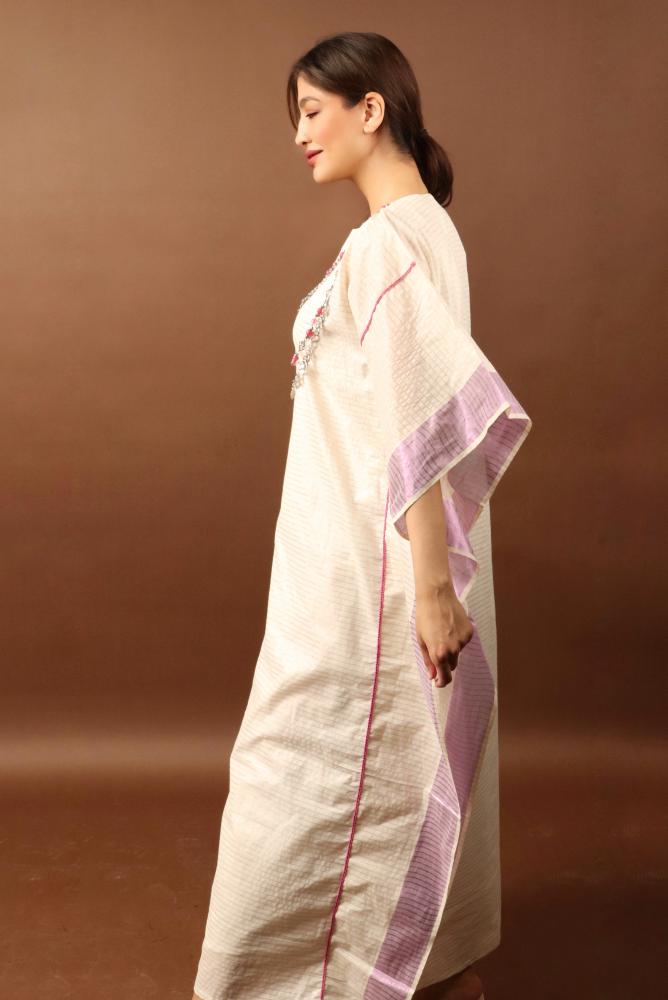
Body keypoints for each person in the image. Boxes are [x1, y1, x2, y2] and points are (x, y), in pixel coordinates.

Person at [192, 30, 532, 1000]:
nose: (299, 134)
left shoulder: (385, 244)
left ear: (369, 109)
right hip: (350, 555)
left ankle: (280, 981)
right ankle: (431, 964)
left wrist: (430, 589)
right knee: (392, 762)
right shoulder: (427, 230)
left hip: (364, 573)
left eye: (312, 111)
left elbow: (417, 420)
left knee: (303, 760)